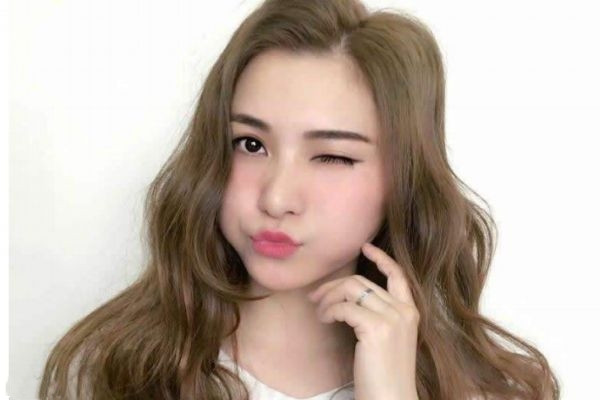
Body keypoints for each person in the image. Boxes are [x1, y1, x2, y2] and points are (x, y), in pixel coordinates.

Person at [38, 0, 560, 399]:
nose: (277, 197)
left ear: (402, 177)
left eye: (331, 156)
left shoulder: (489, 389)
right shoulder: (121, 371)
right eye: (251, 144)